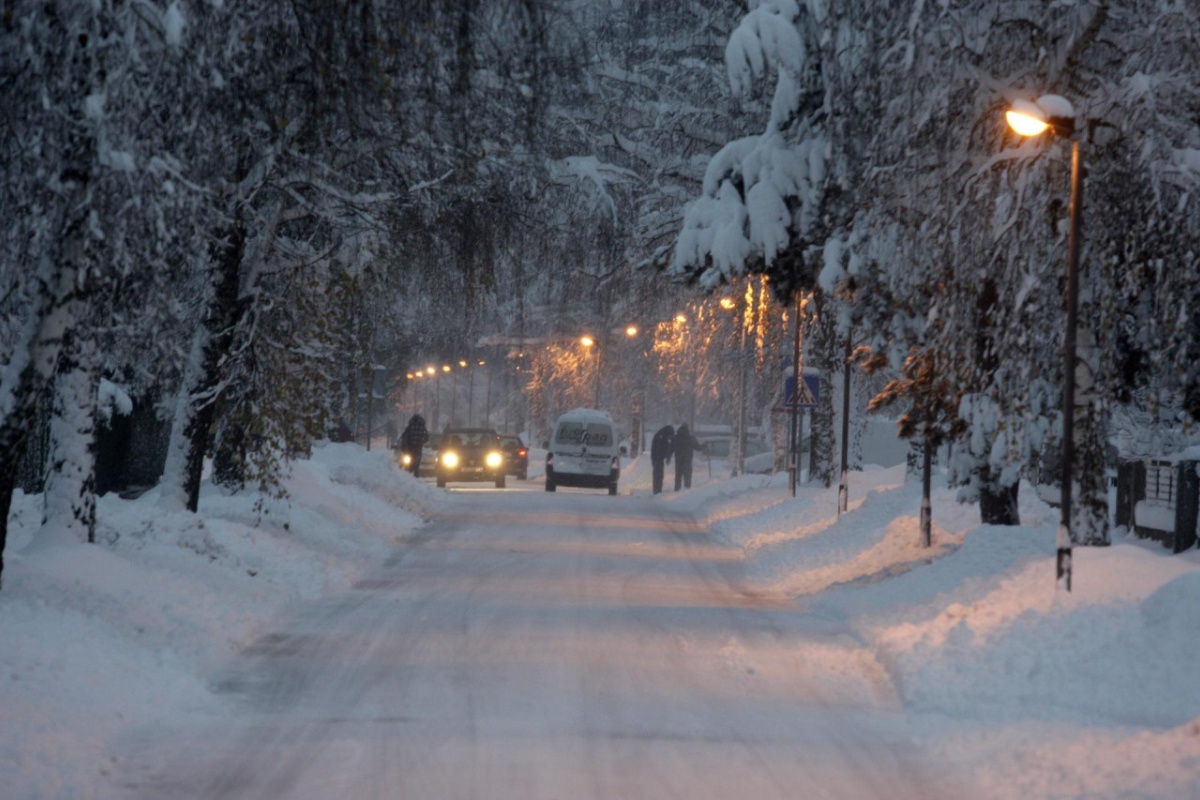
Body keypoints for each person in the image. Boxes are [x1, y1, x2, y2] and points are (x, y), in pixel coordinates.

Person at [650, 424, 675, 495]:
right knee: (658, 474)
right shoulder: (660, 437)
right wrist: (666, 455)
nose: (669, 438)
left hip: (658, 458)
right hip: (657, 458)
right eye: (669, 436)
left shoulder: (662, 436)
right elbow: (661, 449)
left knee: (659, 474)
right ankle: (657, 490)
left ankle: (658, 489)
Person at [673, 424, 698, 491]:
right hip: (688, 461)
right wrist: (704, 446)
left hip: (678, 462)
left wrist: (668, 455)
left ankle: (677, 491)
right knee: (687, 478)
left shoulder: (676, 438)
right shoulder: (691, 438)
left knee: (678, 477)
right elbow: (698, 448)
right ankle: (687, 492)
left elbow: (671, 448)